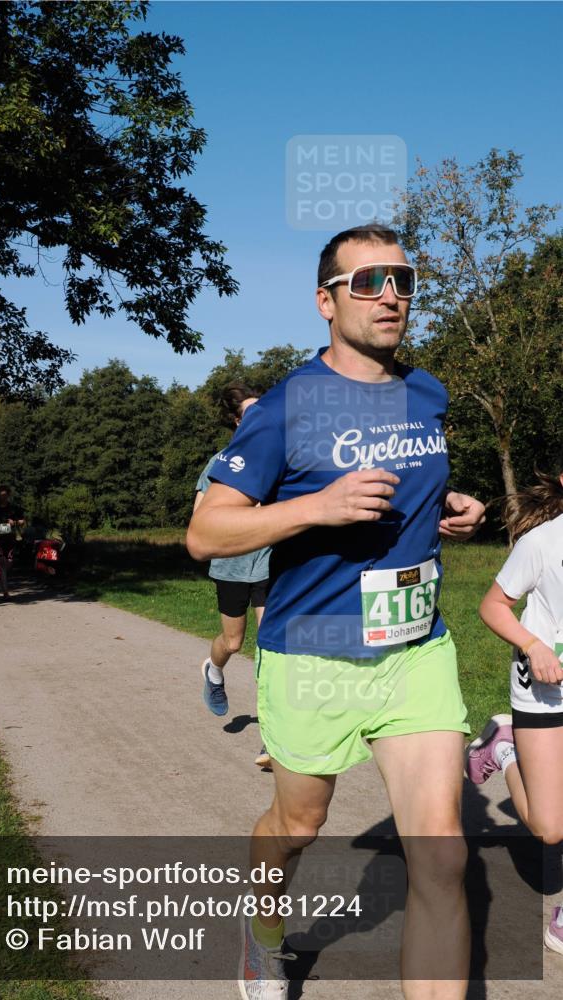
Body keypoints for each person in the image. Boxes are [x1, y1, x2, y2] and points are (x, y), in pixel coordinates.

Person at [187, 223, 486, 1000]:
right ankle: (262, 932)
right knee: (298, 827)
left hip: (415, 649)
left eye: (402, 281)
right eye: (367, 282)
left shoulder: (426, 392)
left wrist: (446, 504)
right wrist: (315, 508)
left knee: (443, 855)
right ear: (326, 301)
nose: (390, 296)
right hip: (313, 653)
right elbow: (207, 532)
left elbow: (405, 481)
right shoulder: (286, 406)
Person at [466, 453, 563, 955]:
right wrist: (533, 645)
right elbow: (493, 605)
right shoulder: (542, 543)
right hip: (545, 691)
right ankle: (504, 747)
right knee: (550, 828)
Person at [194, 383, 272, 769]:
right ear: (238, 422)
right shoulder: (219, 464)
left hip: (272, 563)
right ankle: (213, 669)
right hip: (232, 566)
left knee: (273, 647)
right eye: (250, 412)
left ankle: (273, 737)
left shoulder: (279, 458)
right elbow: (200, 521)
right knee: (233, 641)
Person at [0, 485, 25, 598]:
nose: (3, 497)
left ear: (8, 495)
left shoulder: (14, 508)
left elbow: (23, 521)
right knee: (3, 564)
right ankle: (5, 592)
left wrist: (14, 522)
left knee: (9, 563)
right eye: (1, 495)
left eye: (5, 495)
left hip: (10, 538)